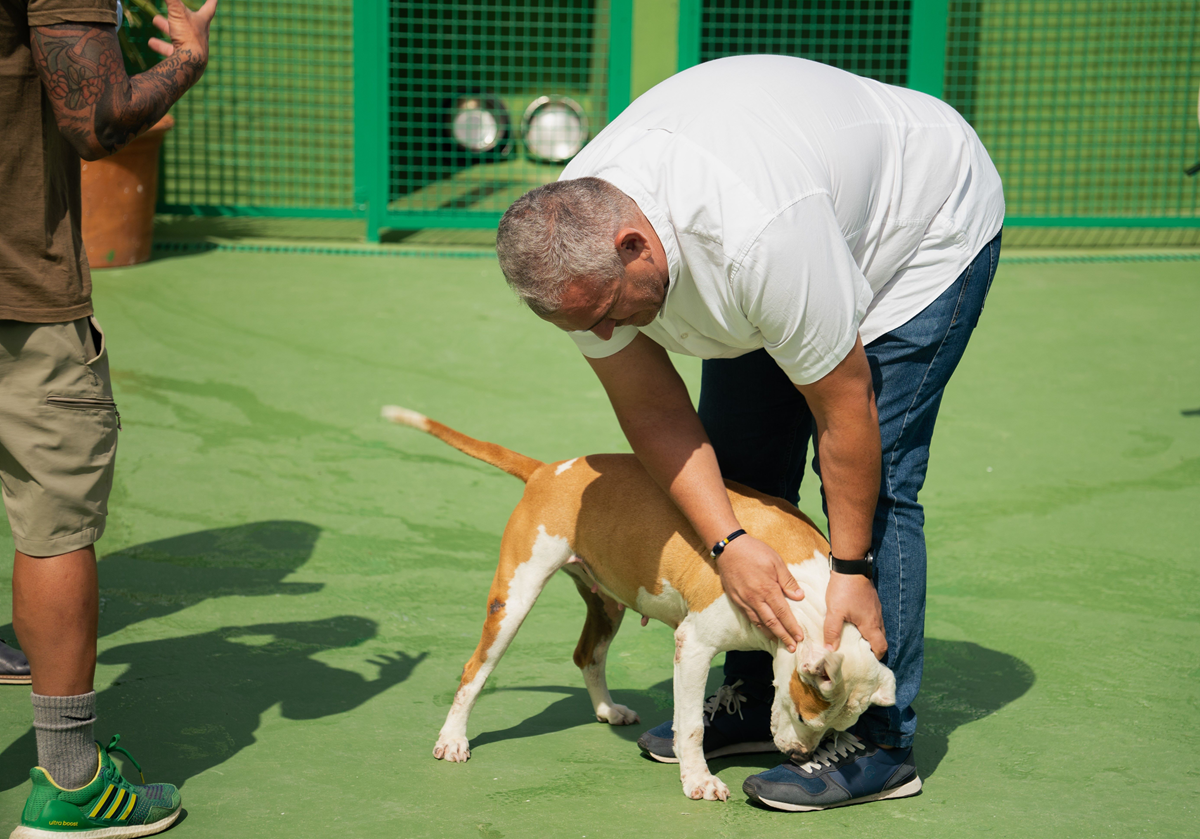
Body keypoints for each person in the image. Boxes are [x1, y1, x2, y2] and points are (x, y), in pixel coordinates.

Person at [496, 55, 1003, 811]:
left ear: (635, 244)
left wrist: (853, 567)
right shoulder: (576, 254)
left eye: (605, 311)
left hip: (917, 236)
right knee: (735, 466)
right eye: (581, 324)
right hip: (775, 242)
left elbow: (844, 411)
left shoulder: (758, 236)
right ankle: (756, 694)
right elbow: (654, 413)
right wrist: (730, 545)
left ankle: (882, 739)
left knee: (878, 479)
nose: (601, 333)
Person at [0, 0, 217, 834]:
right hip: (19, 288)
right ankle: (72, 781)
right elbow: (93, 121)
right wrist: (183, 64)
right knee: (53, 523)